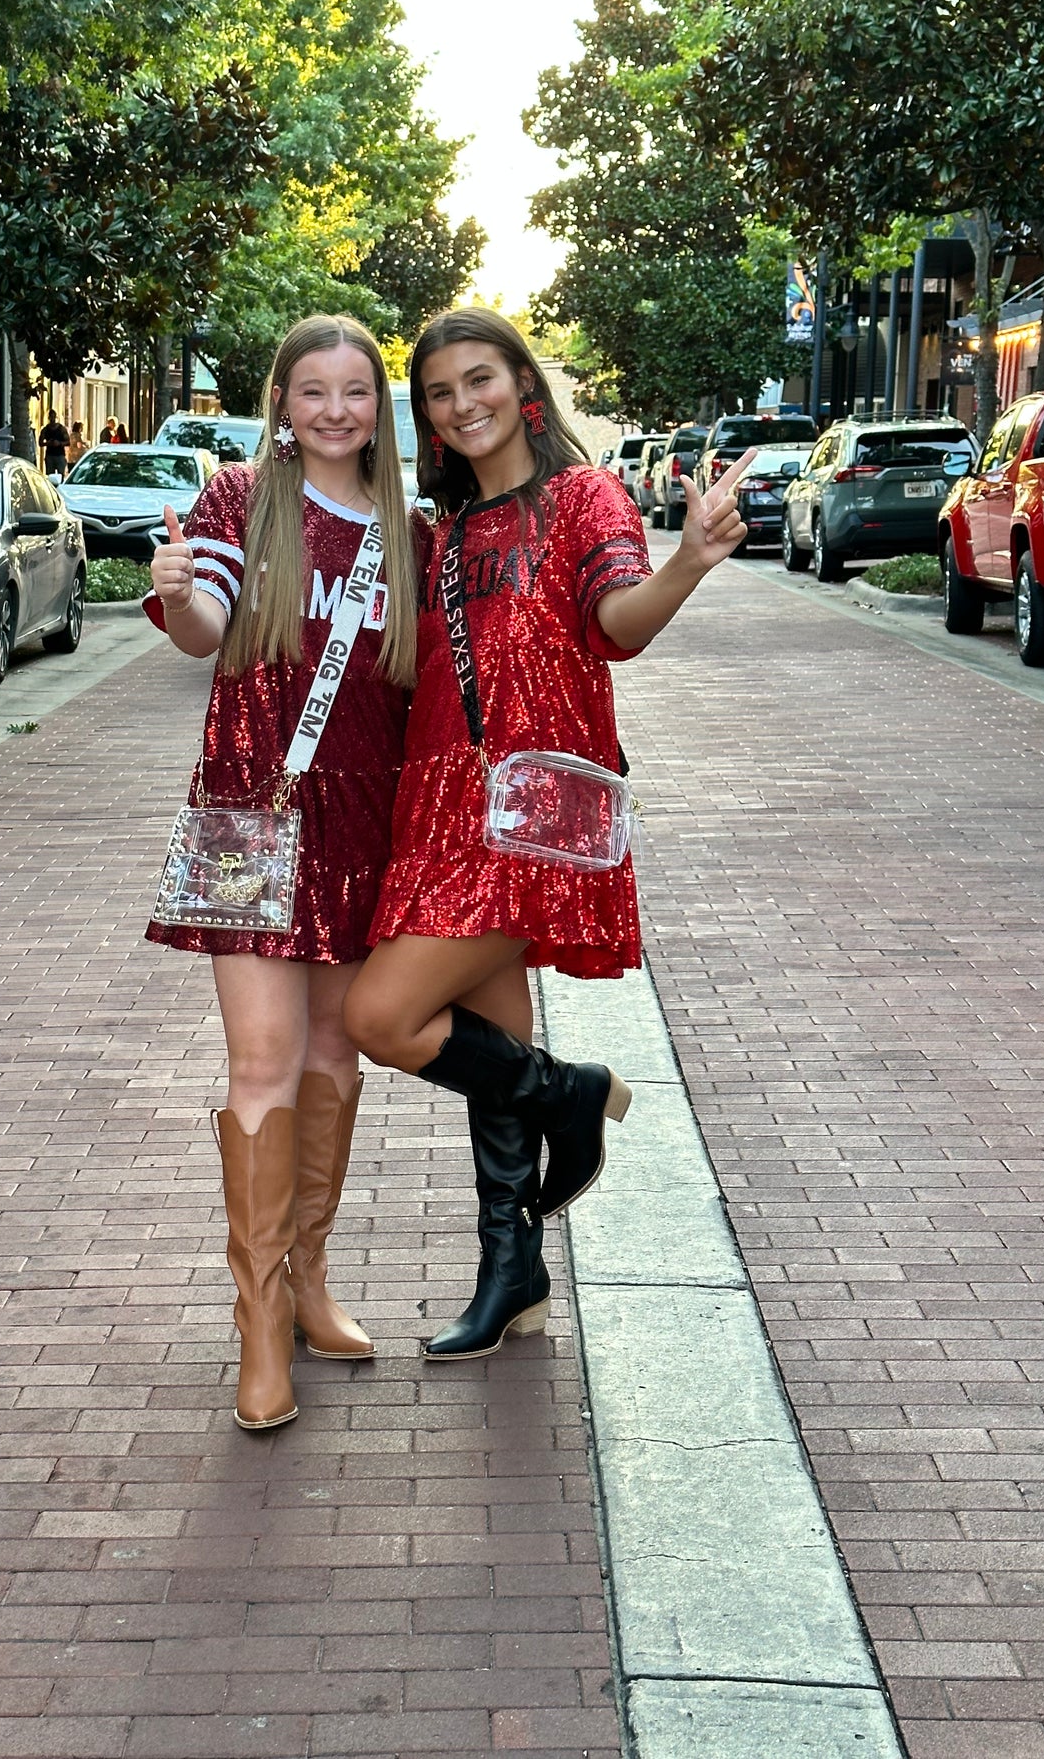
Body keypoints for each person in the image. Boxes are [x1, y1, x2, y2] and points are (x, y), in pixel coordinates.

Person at [344, 308, 745, 1360]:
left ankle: (574, 1096)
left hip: (531, 814)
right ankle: (510, 1270)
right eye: (437, 392)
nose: (460, 403)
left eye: (477, 379)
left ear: (522, 384)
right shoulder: (438, 534)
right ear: (425, 417)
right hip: (436, 814)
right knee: (493, 1051)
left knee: (379, 1015)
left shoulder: (582, 497)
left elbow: (617, 623)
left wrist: (688, 561)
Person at [145, 314, 429, 1431]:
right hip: (242, 813)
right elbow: (203, 625)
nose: (332, 411)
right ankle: (258, 1322)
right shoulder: (236, 499)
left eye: (354, 391)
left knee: (331, 1050)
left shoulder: (408, 530)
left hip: (361, 817)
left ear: (378, 409)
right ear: (280, 401)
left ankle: (309, 1279)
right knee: (258, 1060)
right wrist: (175, 593)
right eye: (311, 391)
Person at [39, 408, 70, 481]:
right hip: (50, 455)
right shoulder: (45, 429)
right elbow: (40, 443)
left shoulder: (61, 429)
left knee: (61, 476)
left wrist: (59, 443)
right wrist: (48, 443)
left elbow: (68, 442)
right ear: (49, 418)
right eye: (51, 417)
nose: (52, 419)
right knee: (50, 477)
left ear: (56, 417)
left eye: (54, 417)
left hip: (60, 455)